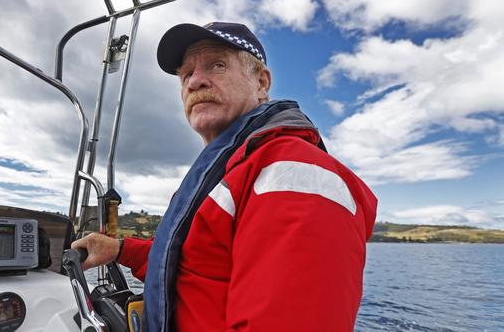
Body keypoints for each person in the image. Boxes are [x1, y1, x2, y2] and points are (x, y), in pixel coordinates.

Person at [71, 22, 378, 331]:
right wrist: (120, 249)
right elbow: (190, 261)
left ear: (261, 82)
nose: (195, 82)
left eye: (216, 65)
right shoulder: (226, 171)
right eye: (186, 74)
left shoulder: (291, 172)